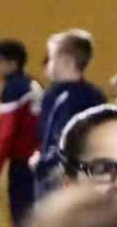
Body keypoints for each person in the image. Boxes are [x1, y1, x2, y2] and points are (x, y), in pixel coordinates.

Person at [29, 29, 104, 202]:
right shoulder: (95, 96)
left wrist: (41, 163)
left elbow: (63, 144)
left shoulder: (66, 100)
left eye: (52, 57)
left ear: (66, 60)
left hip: (61, 185)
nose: (48, 64)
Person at [0, 38, 40, 227]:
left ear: (11, 62)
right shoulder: (33, 85)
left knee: (23, 220)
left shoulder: (12, 89)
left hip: (21, 161)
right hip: (39, 159)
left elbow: (7, 133)